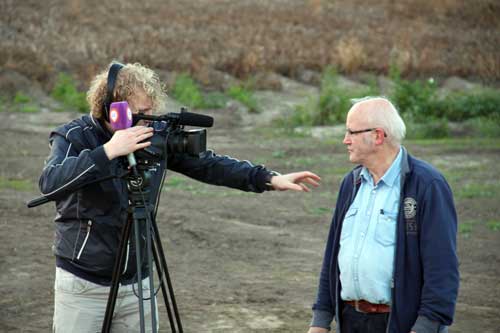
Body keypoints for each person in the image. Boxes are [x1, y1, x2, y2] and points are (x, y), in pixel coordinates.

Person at [38, 61, 321, 332]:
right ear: (113, 110)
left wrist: (267, 178)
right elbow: (50, 183)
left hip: (137, 283)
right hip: (84, 284)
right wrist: (108, 151)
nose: (148, 119)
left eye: (150, 110)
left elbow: (209, 165)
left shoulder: (150, 133)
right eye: (140, 112)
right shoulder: (74, 136)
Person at [307, 97, 459, 333]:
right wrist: (321, 319)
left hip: (399, 324)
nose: (345, 140)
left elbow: (442, 267)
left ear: (378, 136)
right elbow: (333, 255)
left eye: (351, 132)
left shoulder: (427, 185)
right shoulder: (351, 183)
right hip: (350, 321)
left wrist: (426, 326)